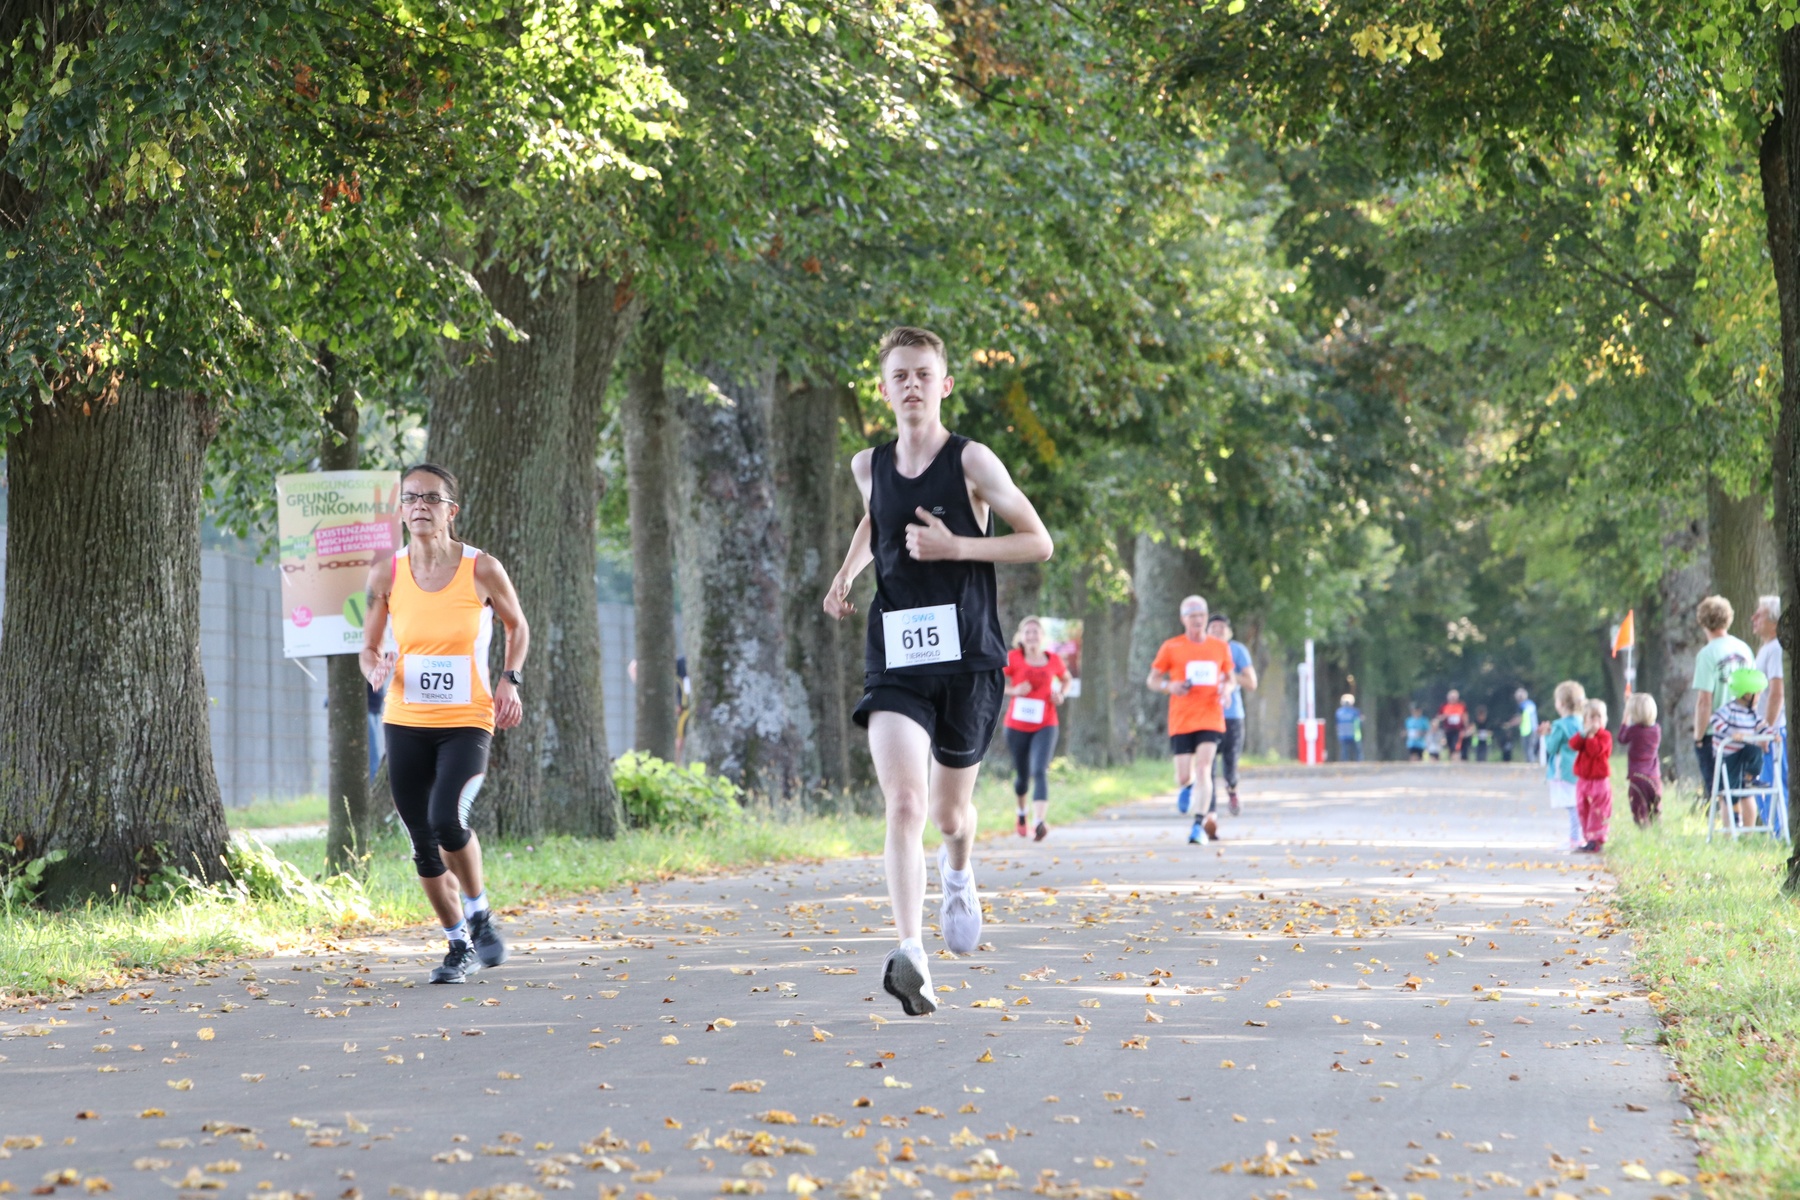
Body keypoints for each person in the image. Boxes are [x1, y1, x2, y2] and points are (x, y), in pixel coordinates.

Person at [821, 326, 1053, 1018]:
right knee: (904, 804)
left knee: (950, 815)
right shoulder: (868, 465)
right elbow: (875, 520)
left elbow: (1038, 541)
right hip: (896, 657)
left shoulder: (972, 461)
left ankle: (958, 872)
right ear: (884, 389)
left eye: (924, 373)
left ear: (944, 384)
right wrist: (845, 573)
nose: (913, 385)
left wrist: (958, 547)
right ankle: (910, 954)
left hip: (969, 660)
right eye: (900, 375)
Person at [360, 464, 529, 985]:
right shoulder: (386, 573)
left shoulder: (482, 568)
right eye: (411, 498)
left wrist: (510, 679)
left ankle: (479, 912)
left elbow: (517, 625)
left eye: (431, 498)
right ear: (401, 510)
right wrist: (375, 669)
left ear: (451, 510)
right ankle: (458, 945)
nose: (420, 506)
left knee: (446, 821)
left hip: (467, 719)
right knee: (421, 841)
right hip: (405, 719)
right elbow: (368, 648)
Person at [1147, 595, 1238, 844]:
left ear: (1206, 618)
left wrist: (1227, 691)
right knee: (1183, 776)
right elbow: (1152, 680)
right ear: (1183, 619)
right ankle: (1187, 787)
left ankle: (1198, 825)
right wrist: (1170, 686)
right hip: (1182, 718)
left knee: (1204, 768)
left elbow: (1230, 679)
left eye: (1201, 615)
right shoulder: (1172, 647)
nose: (1198, 620)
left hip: (1211, 716)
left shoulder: (1219, 647)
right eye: (1192, 616)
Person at [1003, 616, 1070, 841]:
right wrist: (1014, 691)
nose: (1031, 636)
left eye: (1035, 632)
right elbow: (994, 681)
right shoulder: (1013, 658)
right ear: (1021, 637)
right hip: (1016, 725)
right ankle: (1021, 813)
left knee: (1039, 770)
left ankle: (1039, 822)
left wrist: (1061, 694)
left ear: (1042, 636)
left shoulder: (1053, 659)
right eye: (1027, 632)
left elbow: (1067, 679)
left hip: (1046, 723)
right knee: (1022, 776)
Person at [1690, 595, 1755, 800]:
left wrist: (1699, 737)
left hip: (1717, 733)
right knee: (1745, 790)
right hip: (1744, 729)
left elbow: (1704, 701)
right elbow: (1755, 692)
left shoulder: (1707, 654)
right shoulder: (1744, 649)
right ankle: (1747, 822)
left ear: (1702, 621)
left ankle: (1729, 823)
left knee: (1722, 792)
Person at [1710, 667, 1776, 829]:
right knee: (1731, 787)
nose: (1759, 697)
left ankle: (1750, 777)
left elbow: (1762, 726)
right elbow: (1715, 720)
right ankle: (1734, 819)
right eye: (1757, 693)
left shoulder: (1751, 713)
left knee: (1756, 751)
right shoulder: (1730, 709)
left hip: (1743, 752)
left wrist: (1773, 734)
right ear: (1747, 694)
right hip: (1728, 755)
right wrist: (1732, 733)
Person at [1207, 613, 1258, 815]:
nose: (1217, 631)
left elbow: (1251, 683)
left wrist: (1229, 675)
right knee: (1207, 765)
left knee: (1230, 763)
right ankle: (1209, 808)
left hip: (1232, 715)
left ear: (1229, 632)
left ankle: (1233, 789)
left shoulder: (1237, 650)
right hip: (1206, 715)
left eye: (1222, 628)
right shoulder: (1201, 650)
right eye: (1213, 628)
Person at [1541, 680, 1586, 849]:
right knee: (1578, 802)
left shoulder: (1560, 725)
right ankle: (1581, 835)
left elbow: (1552, 747)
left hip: (1564, 769)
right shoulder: (1582, 722)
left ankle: (1575, 838)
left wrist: (1546, 734)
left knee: (1572, 805)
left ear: (1560, 703)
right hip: (1581, 767)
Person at [1566, 699, 1613, 853]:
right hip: (1583, 780)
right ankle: (1588, 838)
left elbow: (1595, 751)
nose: (1595, 721)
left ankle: (1597, 840)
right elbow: (1572, 745)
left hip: (1599, 781)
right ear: (1585, 720)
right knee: (1582, 808)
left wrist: (1591, 736)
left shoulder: (1605, 736)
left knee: (1598, 810)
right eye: (1591, 717)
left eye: (1599, 717)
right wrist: (1584, 734)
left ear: (1604, 719)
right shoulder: (1583, 736)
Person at [1618, 692, 1663, 827]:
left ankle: (1644, 833)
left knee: (1639, 813)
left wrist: (1626, 714)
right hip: (1654, 778)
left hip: (1638, 778)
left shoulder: (1633, 731)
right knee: (1655, 811)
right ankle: (1657, 833)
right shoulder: (1656, 730)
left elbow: (1621, 738)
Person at [1438, 689, 1469, 759]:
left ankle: (1456, 761)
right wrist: (1445, 716)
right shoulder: (1444, 706)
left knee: (1456, 747)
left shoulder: (1461, 706)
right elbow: (1439, 717)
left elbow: (1465, 717)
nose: (1453, 699)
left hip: (1458, 731)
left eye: (1454, 697)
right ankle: (1452, 761)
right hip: (1447, 730)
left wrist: (1466, 727)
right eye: (1451, 697)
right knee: (1450, 748)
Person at [1515, 688, 1541, 765]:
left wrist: (1510, 724)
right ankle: (1533, 763)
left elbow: (1519, 719)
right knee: (1532, 748)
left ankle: (1530, 765)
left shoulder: (1521, 706)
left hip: (1526, 730)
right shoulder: (1531, 704)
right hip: (1534, 729)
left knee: (1527, 749)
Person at [1334, 693, 1363, 762]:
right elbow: (1359, 722)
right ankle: (1359, 763)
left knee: (1344, 751)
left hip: (1343, 735)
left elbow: (1337, 724)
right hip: (1354, 734)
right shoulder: (1355, 711)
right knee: (1357, 751)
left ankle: (1345, 763)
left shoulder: (1338, 712)